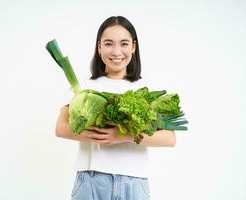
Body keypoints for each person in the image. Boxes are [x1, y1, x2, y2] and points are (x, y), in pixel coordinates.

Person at [55, 16, 176, 200]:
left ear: (134, 47)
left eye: (124, 44)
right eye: (109, 44)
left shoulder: (146, 89)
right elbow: (61, 128)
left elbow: (169, 138)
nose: (117, 51)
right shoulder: (83, 86)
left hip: (134, 182)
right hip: (91, 179)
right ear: (99, 47)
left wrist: (124, 136)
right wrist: (99, 136)